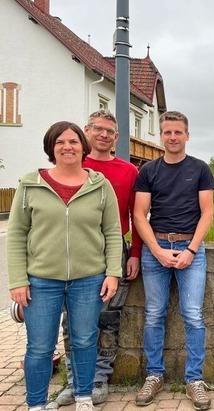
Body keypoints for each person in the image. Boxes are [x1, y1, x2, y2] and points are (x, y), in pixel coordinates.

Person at [7, 121, 122, 411]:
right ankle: (36, 404)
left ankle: (83, 397)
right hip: (42, 281)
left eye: (73, 141)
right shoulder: (30, 184)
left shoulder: (100, 185)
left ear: (83, 147)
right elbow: (18, 233)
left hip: (89, 279)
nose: (67, 147)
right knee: (40, 347)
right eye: (60, 142)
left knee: (84, 341)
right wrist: (18, 280)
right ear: (51, 147)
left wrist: (112, 273)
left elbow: (112, 232)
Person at [56, 110, 142, 405]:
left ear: (117, 138)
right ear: (87, 131)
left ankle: (99, 378)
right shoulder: (73, 165)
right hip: (76, 250)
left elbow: (138, 216)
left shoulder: (129, 171)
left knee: (108, 318)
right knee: (72, 320)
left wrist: (136, 254)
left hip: (115, 249)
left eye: (110, 131)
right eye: (98, 129)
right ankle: (74, 380)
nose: (104, 135)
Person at [133, 111, 214, 410]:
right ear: (161, 135)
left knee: (193, 314)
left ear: (187, 135)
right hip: (156, 249)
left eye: (178, 132)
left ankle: (194, 380)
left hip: (190, 248)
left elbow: (207, 212)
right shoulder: (148, 171)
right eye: (167, 132)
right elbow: (139, 214)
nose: (172, 137)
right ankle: (154, 375)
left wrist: (191, 250)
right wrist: (157, 250)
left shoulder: (200, 169)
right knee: (154, 313)